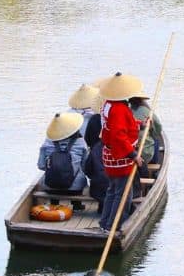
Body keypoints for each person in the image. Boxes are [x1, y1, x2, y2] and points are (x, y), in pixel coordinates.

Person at [97, 72, 145, 233]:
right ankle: (114, 225)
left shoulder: (108, 104)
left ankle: (105, 223)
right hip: (119, 156)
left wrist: (140, 124)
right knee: (123, 194)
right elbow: (118, 135)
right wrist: (134, 155)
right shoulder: (118, 108)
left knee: (113, 190)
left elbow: (119, 126)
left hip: (111, 154)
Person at [69, 84, 107, 205]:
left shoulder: (69, 114)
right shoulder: (97, 118)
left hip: (92, 148)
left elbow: (87, 169)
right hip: (95, 149)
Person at [37, 112, 88, 196]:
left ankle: (53, 203)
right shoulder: (81, 143)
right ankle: (77, 206)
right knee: (80, 177)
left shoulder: (46, 143)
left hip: (49, 186)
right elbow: (84, 167)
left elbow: (41, 166)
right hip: (75, 188)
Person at [129, 96, 162, 166]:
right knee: (156, 139)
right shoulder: (148, 111)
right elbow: (158, 129)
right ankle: (154, 163)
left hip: (130, 153)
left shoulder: (126, 111)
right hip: (144, 153)